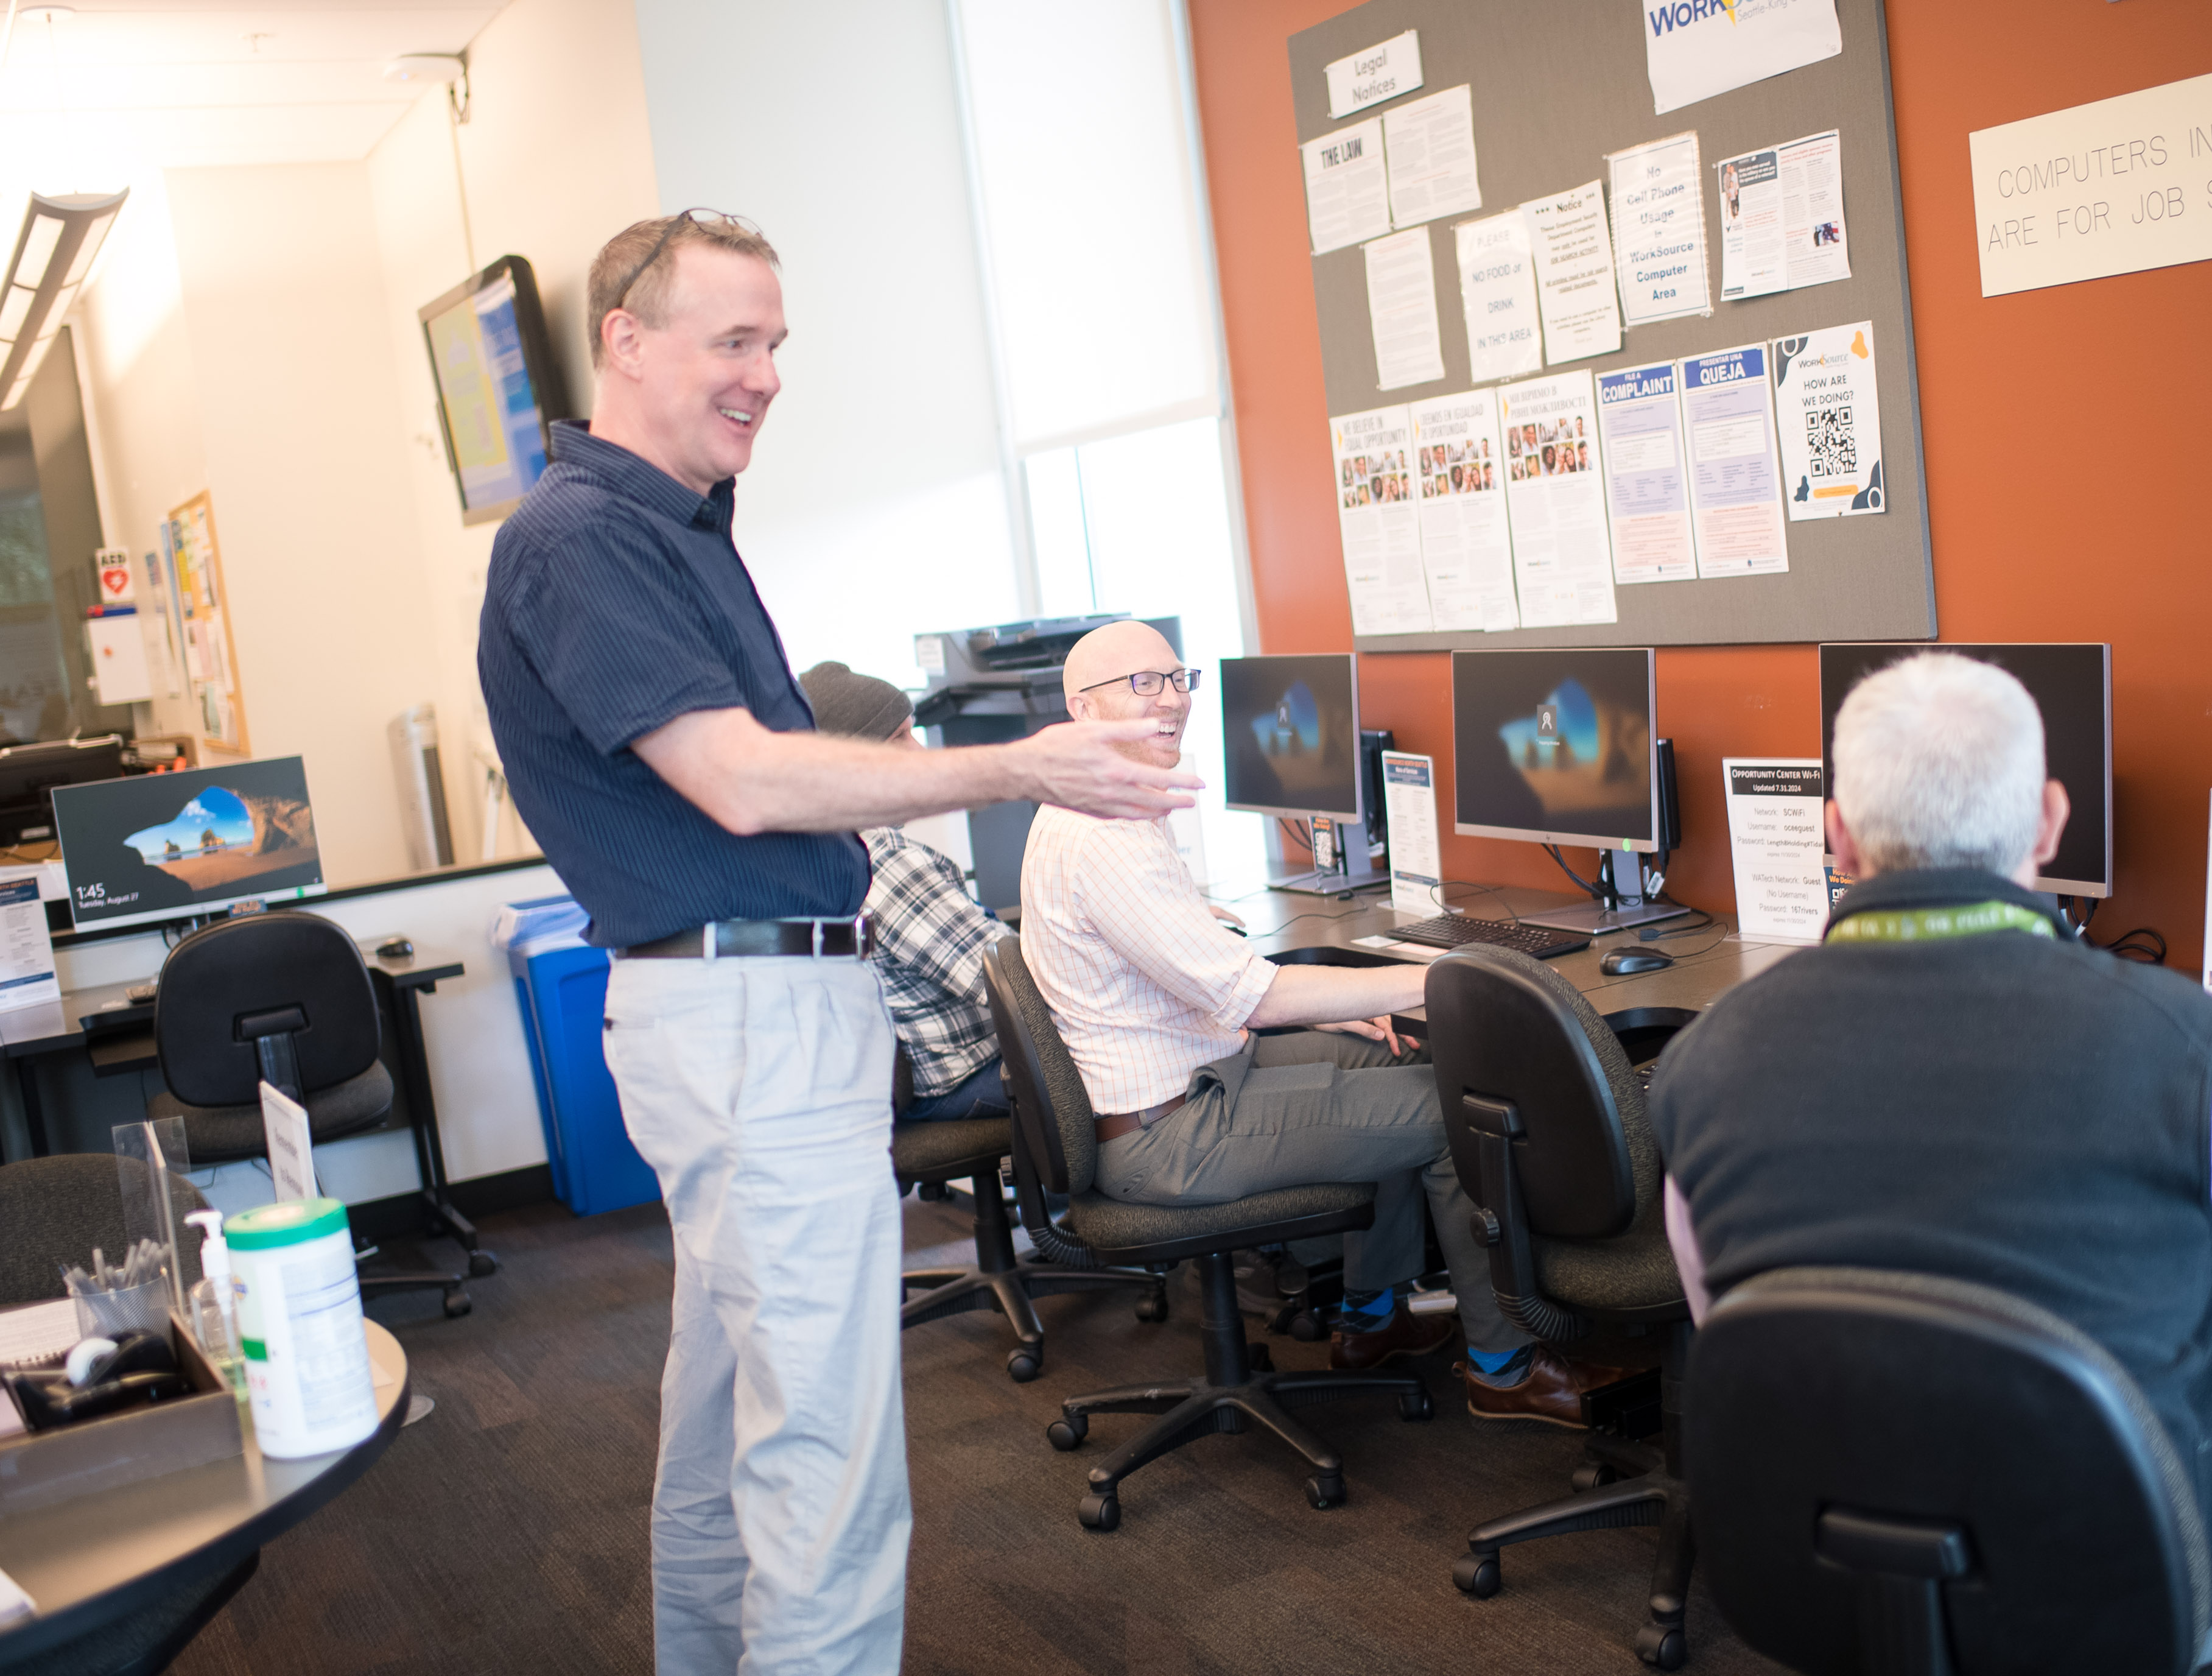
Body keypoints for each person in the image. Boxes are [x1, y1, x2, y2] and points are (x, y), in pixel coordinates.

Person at [476, 211, 1196, 1676]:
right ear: (624, 340)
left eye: (775, 344)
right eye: (733, 341)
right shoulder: (582, 541)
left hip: (748, 1012)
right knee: (828, 1462)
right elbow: (739, 778)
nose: (766, 376)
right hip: (746, 1020)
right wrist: (1019, 766)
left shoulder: (669, 529)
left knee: (726, 1419)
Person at [1649, 652, 2212, 1676]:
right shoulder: (2180, 1040)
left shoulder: (1698, 1061)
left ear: (1835, 836)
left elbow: (1731, 1325)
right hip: (2142, 1569)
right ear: (2048, 822)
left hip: (1841, 1551)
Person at [1015, 619, 1607, 1425]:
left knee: (1398, 1059)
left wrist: (1368, 1002)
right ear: (1083, 711)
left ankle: (1371, 1320)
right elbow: (1253, 997)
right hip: (1170, 1134)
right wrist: (1434, 979)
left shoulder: (1096, 805)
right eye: (1142, 685)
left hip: (1193, 1078)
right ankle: (1503, 1368)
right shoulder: (1105, 837)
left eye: (1177, 678)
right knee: (1453, 1121)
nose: (1174, 701)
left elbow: (1182, 953)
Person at [796, 660, 1010, 1122]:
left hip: (908, 1084)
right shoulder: (883, 856)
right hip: (965, 1078)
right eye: (898, 739)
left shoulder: (821, 851)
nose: (919, 754)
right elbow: (1013, 983)